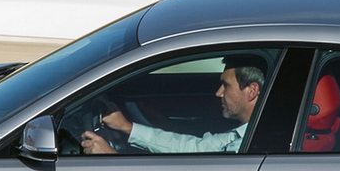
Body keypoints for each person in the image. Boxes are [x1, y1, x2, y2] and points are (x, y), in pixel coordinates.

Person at [80, 55, 265, 154]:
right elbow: (194, 148)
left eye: (226, 85)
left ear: (252, 90)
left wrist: (112, 159)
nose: (218, 93)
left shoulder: (252, 145)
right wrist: (127, 127)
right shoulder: (244, 135)